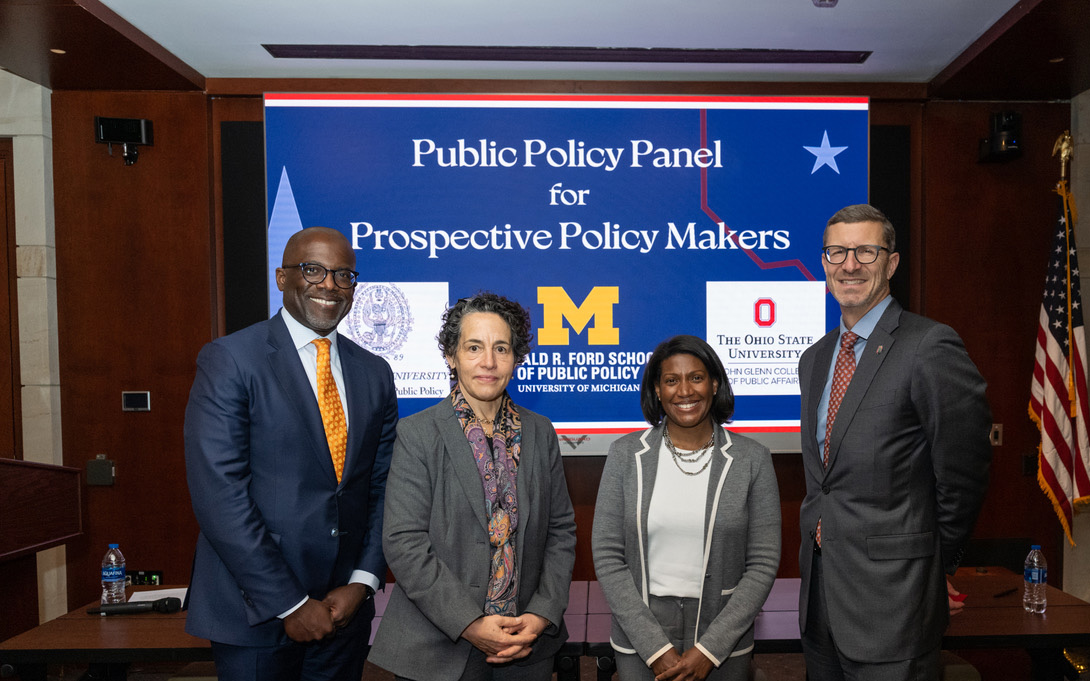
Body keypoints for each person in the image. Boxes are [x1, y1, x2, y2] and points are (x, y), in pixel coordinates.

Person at [183, 226, 398, 681]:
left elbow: (385, 488)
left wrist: (362, 581)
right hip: (256, 611)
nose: (329, 285)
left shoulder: (375, 372)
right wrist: (291, 603)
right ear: (282, 278)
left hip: (344, 612)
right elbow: (220, 495)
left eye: (344, 275)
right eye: (313, 270)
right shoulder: (231, 360)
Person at [797, 204, 992, 680]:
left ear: (892, 262)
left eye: (866, 251)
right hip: (821, 601)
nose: (850, 264)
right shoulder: (816, 358)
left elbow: (963, 474)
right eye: (837, 252)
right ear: (823, 263)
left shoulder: (930, 346)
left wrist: (931, 568)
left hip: (896, 604)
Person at [370, 292, 577, 681]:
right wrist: (468, 623)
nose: (488, 362)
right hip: (437, 647)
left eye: (501, 348)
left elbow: (561, 531)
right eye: (474, 347)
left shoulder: (539, 432)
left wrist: (541, 613)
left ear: (517, 357)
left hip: (525, 647)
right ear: (451, 356)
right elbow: (403, 542)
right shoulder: (417, 434)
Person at [592, 335, 781, 681]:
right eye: (671, 380)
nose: (685, 391)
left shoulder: (753, 459)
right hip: (640, 631)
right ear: (657, 390)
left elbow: (763, 563)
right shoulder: (624, 455)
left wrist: (711, 649)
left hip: (724, 630)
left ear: (714, 384)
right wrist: (654, 647)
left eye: (695, 377)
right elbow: (607, 556)